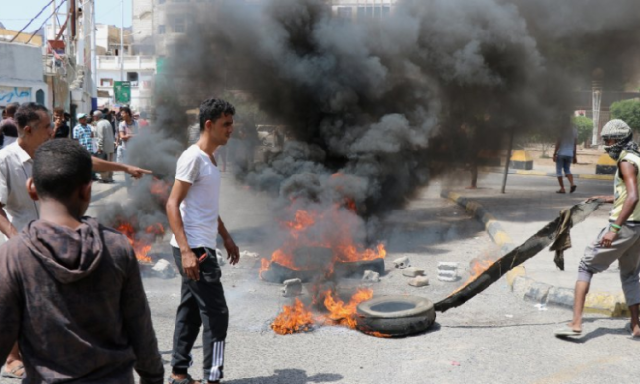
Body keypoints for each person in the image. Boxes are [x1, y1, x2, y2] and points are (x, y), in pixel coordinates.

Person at [0, 102, 152, 378]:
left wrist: (124, 167)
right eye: (47, 126)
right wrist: (15, 239)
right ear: (28, 129)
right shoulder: (5, 160)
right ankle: (13, 359)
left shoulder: (49, 152)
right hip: (24, 241)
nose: (53, 130)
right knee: (14, 303)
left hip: (57, 236)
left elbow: (85, 162)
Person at [166, 98, 240, 384]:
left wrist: (226, 237)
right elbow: (173, 205)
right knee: (217, 315)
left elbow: (207, 207)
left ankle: (178, 373)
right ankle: (213, 378)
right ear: (209, 125)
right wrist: (186, 251)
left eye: (232, 123)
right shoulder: (192, 157)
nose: (231, 129)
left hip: (202, 244)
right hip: (195, 249)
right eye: (226, 124)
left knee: (191, 311)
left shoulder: (210, 159)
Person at [555, 119, 640, 338]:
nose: (607, 145)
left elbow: (633, 196)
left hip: (625, 226)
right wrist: (606, 198)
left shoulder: (625, 162)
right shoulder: (637, 158)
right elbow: (628, 195)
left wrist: (614, 229)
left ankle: (575, 323)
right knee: (630, 274)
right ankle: (636, 325)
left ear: (619, 140)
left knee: (585, 266)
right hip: (637, 228)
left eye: (609, 140)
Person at [553, 122, 578, 194]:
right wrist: (575, 156)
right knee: (567, 170)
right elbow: (575, 144)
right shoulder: (574, 130)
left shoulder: (561, 130)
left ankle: (562, 188)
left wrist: (554, 153)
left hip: (561, 153)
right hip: (570, 154)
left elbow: (558, 142)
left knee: (559, 171)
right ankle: (572, 184)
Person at [94, 110, 116, 183]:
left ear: (96, 117)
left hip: (105, 146)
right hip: (110, 145)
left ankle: (105, 178)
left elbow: (100, 137)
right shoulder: (107, 122)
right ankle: (110, 177)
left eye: (94, 116)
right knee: (110, 162)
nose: (93, 118)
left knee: (104, 162)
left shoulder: (99, 124)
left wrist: (99, 148)